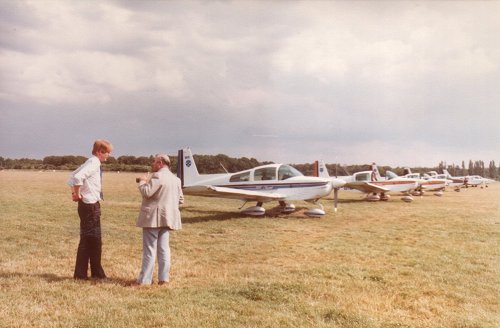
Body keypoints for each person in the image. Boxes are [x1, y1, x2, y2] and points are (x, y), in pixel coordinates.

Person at [67, 139, 113, 280]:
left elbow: (72, 177)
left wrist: (76, 193)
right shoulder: (94, 163)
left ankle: (95, 273)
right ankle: (83, 275)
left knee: (93, 240)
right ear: (99, 151)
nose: (108, 156)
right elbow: (77, 177)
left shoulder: (91, 162)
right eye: (107, 153)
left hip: (89, 205)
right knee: (90, 240)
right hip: (90, 206)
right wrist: (77, 193)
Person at [135, 154, 184, 285]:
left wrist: (142, 182)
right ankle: (163, 279)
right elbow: (180, 200)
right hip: (168, 219)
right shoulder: (176, 179)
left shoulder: (157, 176)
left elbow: (146, 192)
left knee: (150, 250)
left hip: (152, 219)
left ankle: (145, 280)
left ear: (161, 162)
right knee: (164, 250)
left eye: (154, 161)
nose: (152, 164)